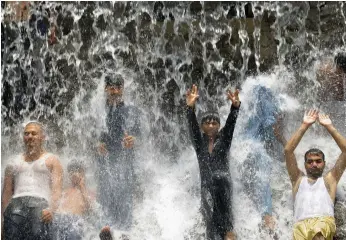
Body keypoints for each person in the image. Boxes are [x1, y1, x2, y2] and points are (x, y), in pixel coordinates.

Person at [186, 84, 240, 240]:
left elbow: (231, 126)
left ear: (218, 126)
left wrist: (235, 108)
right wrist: (190, 109)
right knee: (210, 224)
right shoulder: (199, 143)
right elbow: (192, 128)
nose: (210, 125)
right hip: (207, 187)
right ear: (202, 126)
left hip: (223, 185)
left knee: (226, 226)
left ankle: (228, 232)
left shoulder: (224, 140)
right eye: (207, 123)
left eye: (214, 122)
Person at [284, 109, 346, 240]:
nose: (314, 164)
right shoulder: (297, 179)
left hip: (323, 223)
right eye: (310, 161)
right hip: (300, 226)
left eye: (318, 161)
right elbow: (288, 151)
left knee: (318, 236)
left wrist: (329, 126)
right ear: (305, 164)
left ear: (324, 163)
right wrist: (304, 125)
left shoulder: (330, 180)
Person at [1, 121, 63, 239]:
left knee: (37, 234)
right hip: (16, 204)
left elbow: (57, 190)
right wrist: (1, 223)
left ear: (42, 137)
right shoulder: (13, 162)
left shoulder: (52, 160)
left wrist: (52, 210)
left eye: (34, 133)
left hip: (40, 204)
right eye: (26, 134)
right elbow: (6, 195)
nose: (29, 136)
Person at [96, 73, 141, 234]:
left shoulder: (131, 109)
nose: (115, 91)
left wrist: (134, 139)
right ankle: (107, 230)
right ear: (106, 88)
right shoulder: (98, 109)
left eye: (118, 88)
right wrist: (96, 144)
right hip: (104, 161)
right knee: (105, 193)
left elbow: (141, 135)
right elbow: (88, 134)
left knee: (125, 193)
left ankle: (125, 232)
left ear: (123, 89)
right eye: (112, 87)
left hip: (125, 159)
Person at [240, 85, 287, 233]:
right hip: (251, 146)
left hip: (242, 146)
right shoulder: (265, 105)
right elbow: (271, 129)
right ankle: (267, 215)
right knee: (263, 168)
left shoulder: (252, 108)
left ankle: (265, 214)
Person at [52, 160, 92, 240]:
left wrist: (82, 187)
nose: (74, 174)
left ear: (83, 173)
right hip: (60, 218)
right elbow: (55, 205)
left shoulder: (87, 192)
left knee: (74, 234)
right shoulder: (65, 191)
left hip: (75, 221)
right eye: (71, 171)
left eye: (77, 171)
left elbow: (90, 210)